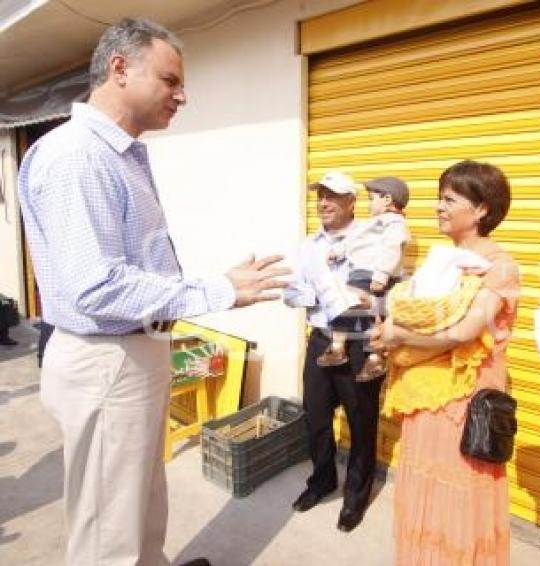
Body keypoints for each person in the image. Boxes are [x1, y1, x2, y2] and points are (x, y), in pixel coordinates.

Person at [17, 18, 289, 566]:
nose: (182, 95)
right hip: (105, 357)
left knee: (139, 503)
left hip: (131, 353)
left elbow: (124, 267)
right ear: (120, 69)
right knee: (107, 531)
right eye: (170, 81)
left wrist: (206, 288)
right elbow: (95, 287)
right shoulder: (78, 156)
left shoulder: (120, 153)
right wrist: (216, 290)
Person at [371, 160, 519, 565]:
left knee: (458, 496)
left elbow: (462, 333)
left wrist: (398, 336)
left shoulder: (499, 267)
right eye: (440, 198)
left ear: (482, 210)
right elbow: (415, 310)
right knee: (424, 489)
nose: (438, 207)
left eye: (449, 200)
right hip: (424, 398)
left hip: (462, 404)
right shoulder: (444, 259)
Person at [283, 171, 389, 532]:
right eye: (320, 196)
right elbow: (293, 292)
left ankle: (355, 497)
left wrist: (361, 300)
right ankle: (322, 479)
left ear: (351, 202)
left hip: (360, 343)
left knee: (361, 423)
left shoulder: (375, 238)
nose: (324, 202)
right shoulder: (309, 245)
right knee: (315, 417)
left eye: (333, 196)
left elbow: (389, 292)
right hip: (321, 338)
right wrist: (321, 293)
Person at [316, 175, 411, 381]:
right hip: (360, 273)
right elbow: (353, 240)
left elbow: (392, 248)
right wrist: (338, 251)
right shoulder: (370, 224)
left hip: (373, 275)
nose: (368, 204)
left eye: (372, 198)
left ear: (387, 200)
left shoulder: (394, 223)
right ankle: (342, 349)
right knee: (356, 310)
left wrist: (382, 275)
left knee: (371, 316)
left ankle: (372, 357)